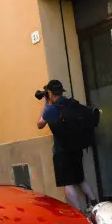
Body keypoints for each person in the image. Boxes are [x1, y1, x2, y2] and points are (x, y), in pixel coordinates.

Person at [36, 79, 98, 212]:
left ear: (50, 92)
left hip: (62, 151)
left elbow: (40, 124)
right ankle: (94, 203)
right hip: (77, 148)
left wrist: (46, 103)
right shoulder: (72, 104)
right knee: (80, 179)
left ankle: (78, 213)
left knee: (67, 184)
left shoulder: (52, 109)